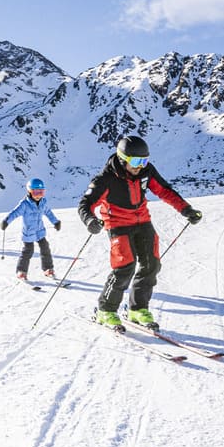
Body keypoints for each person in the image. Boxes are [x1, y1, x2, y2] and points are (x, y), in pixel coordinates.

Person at [77, 134, 203, 331]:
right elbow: (85, 204)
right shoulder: (106, 179)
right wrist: (90, 221)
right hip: (118, 224)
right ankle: (105, 310)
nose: (140, 166)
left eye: (144, 161)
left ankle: (137, 309)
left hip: (142, 221)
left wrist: (186, 209)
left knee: (151, 265)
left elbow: (165, 191)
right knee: (125, 267)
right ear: (122, 159)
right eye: (136, 161)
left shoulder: (146, 172)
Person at [0, 178, 61, 283]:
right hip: (28, 232)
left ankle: (48, 269)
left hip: (40, 231)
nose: (38, 195)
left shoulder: (43, 202)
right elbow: (14, 213)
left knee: (45, 248)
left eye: (41, 192)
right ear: (29, 191)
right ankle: (21, 271)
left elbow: (48, 213)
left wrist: (55, 222)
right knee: (28, 251)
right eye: (36, 192)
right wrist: (6, 221)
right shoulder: (24, 204)